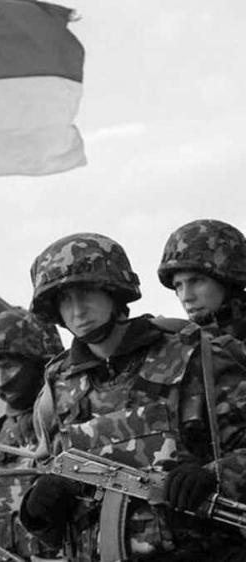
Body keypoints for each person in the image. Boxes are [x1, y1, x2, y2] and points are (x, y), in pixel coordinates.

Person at [19, 232, 246, 561]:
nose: (77, 310)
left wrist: (216, 475)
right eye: (65, 300)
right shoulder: (56, 389)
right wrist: (38, 510)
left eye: (86, 293)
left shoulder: (195, 355)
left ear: (113, 291)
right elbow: (52, 522)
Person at [0, 309, 63, 561]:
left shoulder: (70, 416)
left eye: (9, 366)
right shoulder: (1, 431)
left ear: (40, 363)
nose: (0, 380)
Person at [158, 219, 246, 341]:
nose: (186, 297)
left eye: (196, 281)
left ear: (228, 282)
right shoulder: (182, 343)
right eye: (178, 285)